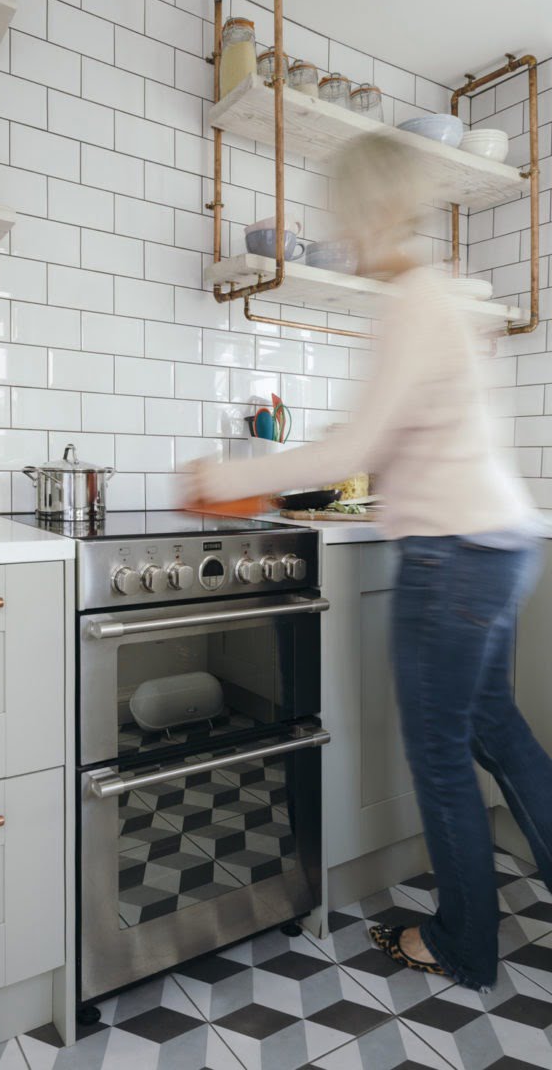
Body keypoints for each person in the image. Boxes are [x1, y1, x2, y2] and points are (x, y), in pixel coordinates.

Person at [183, 132, 552, 992]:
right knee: (497, 730)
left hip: (451, 559)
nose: (339, 232)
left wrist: (229, 478)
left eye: (342, 214)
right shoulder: (443, 300)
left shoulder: (414, 304)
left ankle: (464, 944)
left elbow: (352, 445)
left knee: (440, 753)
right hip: (502, 547)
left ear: (370, 210)